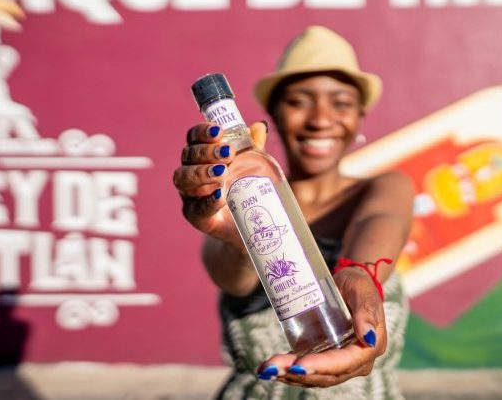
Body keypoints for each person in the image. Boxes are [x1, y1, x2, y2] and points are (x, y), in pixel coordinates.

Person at [173, 25, 414, 399]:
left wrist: (359, 275)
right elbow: (233, 278)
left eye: (341, 102)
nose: (320, 119)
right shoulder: (237, 199)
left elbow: (378, 223)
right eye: (299, 101)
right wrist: (242, 240)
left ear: (360, 115)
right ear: (273, 114)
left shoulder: (383, 189)